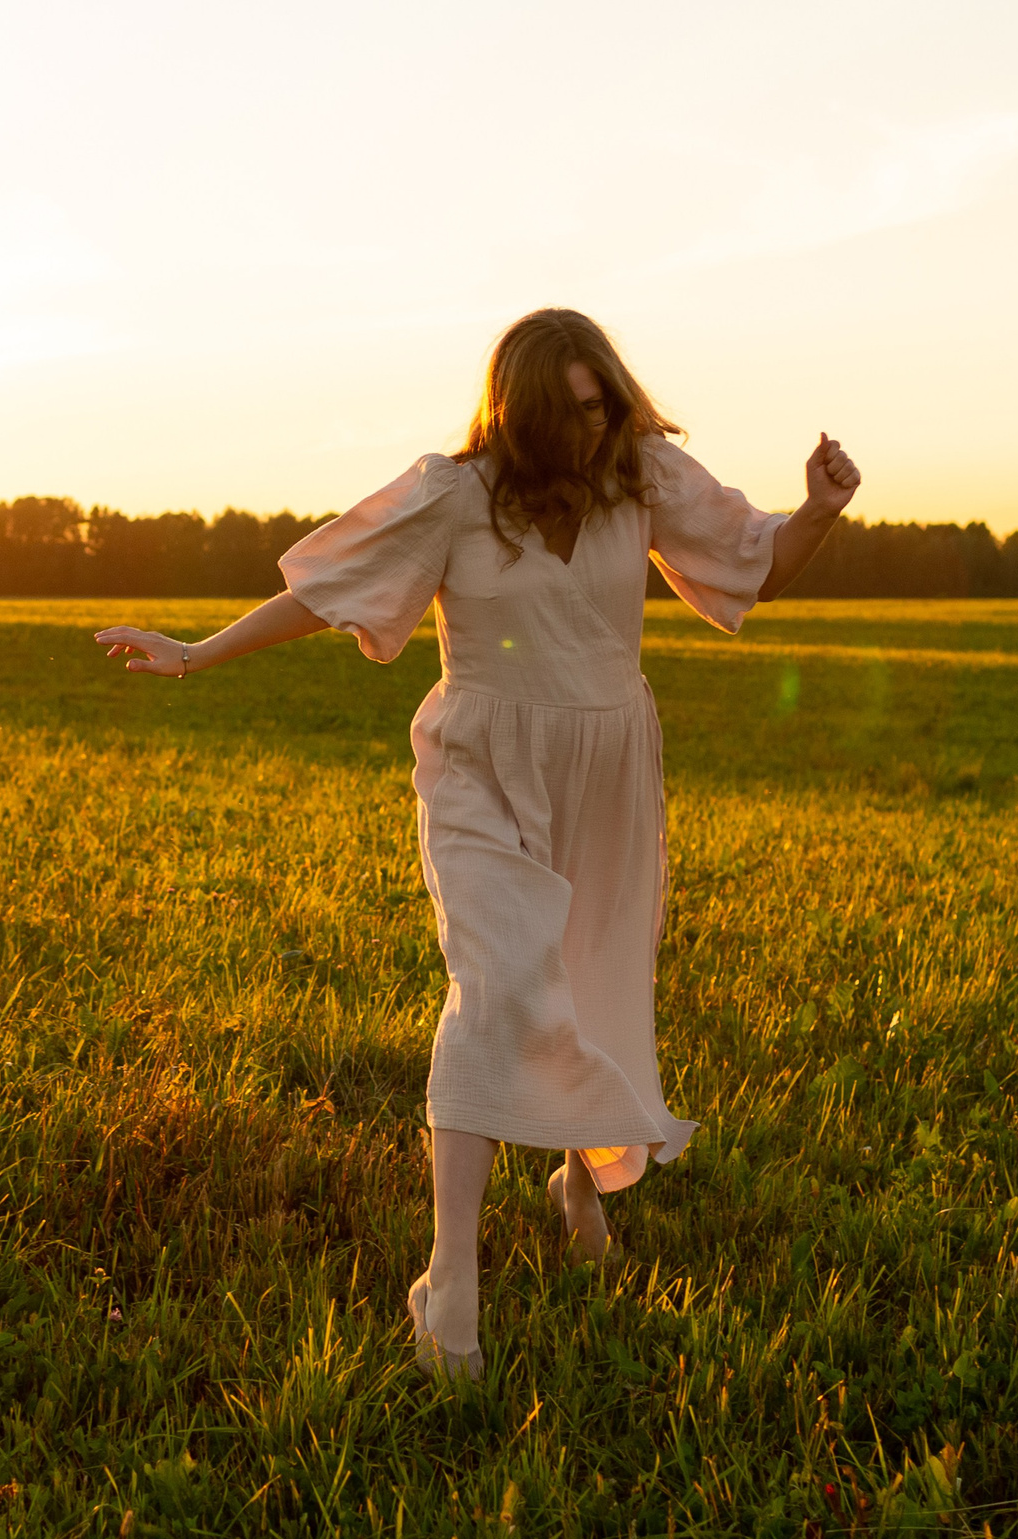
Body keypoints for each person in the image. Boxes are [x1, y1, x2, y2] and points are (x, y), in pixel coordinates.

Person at [93, 308, 861, 1376]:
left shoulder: (640, 473)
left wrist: (818, 509)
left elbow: (757, 564)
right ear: (521, 412)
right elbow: (322, 592)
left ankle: (578, 1174)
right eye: (572, 411)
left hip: (607, 763)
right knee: (497, 989)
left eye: (605, 405)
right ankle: (450, 1276)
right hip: (482, 765)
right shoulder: (454, 494)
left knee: (590, 980)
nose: (593, 428)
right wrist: (197, 653)